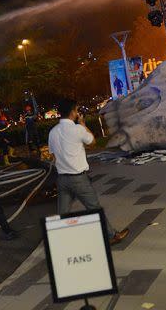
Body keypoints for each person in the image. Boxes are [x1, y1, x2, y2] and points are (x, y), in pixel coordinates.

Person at [48, 98, 129, 245]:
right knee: (94, 208)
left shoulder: (52, 132)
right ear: (73, 112)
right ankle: (112, 236)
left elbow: (53, 156)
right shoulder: (77, 129)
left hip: (62, 179)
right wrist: (83, 124)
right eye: (77, 110)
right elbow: (92, 142)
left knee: (63, 212)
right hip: (79, 179)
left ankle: (59, 243)